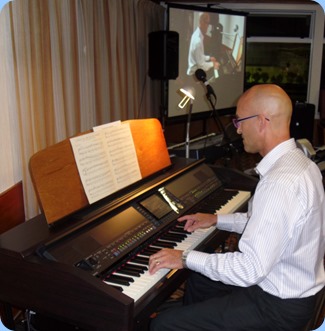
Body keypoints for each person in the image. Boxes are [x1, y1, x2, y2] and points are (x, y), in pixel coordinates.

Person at [149, 84, 325, 331]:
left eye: (240, 120)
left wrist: (184, 257)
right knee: (201, 281)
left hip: (278, 305)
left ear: (263, 121)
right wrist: (216, 219)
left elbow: (250, 269)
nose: (237, 128)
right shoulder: (300, 162)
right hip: (289, 284)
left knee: (165, 325)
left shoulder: (280, 183)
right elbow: (267, 225)